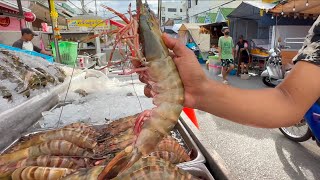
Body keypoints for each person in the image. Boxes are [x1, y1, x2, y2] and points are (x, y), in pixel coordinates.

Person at [157, 15, 320, 128]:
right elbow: (289, 100)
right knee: (228, 67)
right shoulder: (222, 39)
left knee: (233, 67)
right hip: (227, 55)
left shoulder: (232, 40)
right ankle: (224, 76)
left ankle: (225, 75)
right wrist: (199, 92)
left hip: (234, 56)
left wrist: (200, 92)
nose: (227, 33)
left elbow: (289, 100)